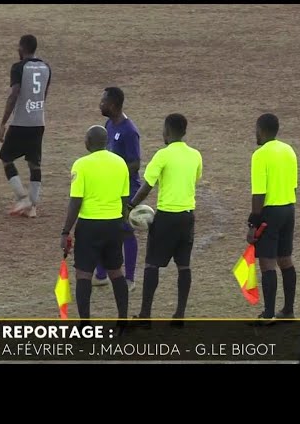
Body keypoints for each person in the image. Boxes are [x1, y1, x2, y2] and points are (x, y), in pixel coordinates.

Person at [129, 113, 202, 321]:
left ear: (167, 131)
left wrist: (131, 205)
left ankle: (145, 315)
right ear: (185, 132)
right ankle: (179, 315)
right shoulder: (195, 155)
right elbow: (195, 178)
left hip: (166, 218)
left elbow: (147, 186)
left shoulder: (162, 155)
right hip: (187, 218)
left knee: (152, 265)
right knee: (184, 266)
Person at [60, 125, 130, 322]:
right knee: (116, 271)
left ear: (88, 142)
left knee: (83, 274)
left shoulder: (81, 165)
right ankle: (123, 319)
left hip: (89, 225)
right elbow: (125, 198)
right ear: (106, 142)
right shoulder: (120, 163)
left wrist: (66, 231)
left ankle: (85, 325)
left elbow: (76, 201)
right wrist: (121, 222)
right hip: (114, 223)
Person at [246, 113, 298, 320]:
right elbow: (293, 185)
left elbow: (259, 193)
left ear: (261, 129)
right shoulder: (289, 150)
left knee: (267, 262)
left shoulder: (260, 155)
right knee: (285, 259)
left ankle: (268, 314)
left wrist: (253, 224)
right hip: (289, 208)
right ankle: (288, 310)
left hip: (270, 212)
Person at [92, 87, 141, 292]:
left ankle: (129, 278)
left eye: (103, 101)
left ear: (112, 105)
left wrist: (115, 175)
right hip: (110, 186)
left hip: (127, 188)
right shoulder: (109, 124)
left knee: (125, 230)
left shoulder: (129, 131)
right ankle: (102, 274)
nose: (100, 104)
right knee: (105, 228)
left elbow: (135, 163)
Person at [0, 34, 52, 217]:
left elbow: (14, 94)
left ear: (22, 48)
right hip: (39, 122)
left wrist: (3, 123)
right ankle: (33, 205)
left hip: (21, 122)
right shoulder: (46, 68)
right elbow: (43, 95)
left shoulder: (18, 68)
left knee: (6, 156)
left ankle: (23, 198)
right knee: (34, 162)